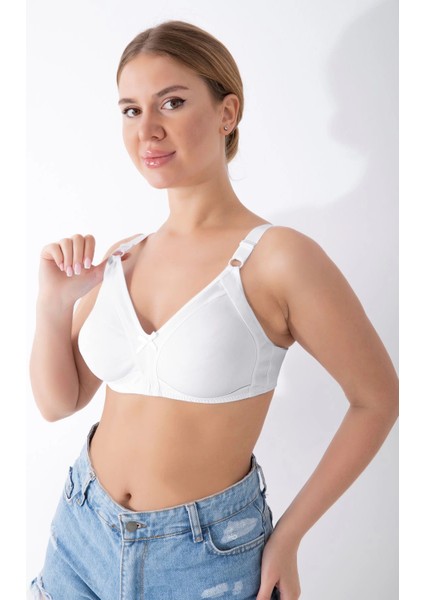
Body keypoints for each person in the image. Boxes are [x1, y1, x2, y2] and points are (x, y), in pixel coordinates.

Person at [29, 19, 399, 600]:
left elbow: (377, 399)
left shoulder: (278, 258)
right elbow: (59, 403)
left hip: (203, 560)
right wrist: (52, 306)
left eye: (171, 103)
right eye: (131, 110)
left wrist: (289, 536)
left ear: (228, 113)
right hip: (80, 534)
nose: (148, 130)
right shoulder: (126, 255)